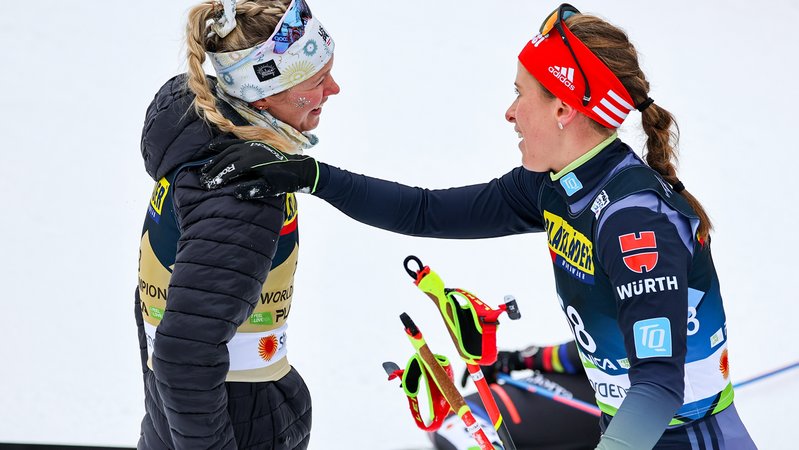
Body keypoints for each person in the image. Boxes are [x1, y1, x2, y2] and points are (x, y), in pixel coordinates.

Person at [201, 3, 759, 449]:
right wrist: (312, 175)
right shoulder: (555, 186)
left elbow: (659, 387)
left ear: (564, 108)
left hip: (686, 436)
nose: (510, 112)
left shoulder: (636, 220)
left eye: (521, 94)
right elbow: (425, 211)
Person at [135, 0, 339, 448]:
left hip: (184, 420)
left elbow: (162, 310)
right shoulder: (240, 188)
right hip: (236, 423)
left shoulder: (201, 142)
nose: (335, 89)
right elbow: (182, 355)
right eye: (318, 80)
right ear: (263, 92)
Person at [433, 341, 601, 450]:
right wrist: (517, 359)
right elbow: (571, 354)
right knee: (449, 421)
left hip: (608, 425)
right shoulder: (612, 347)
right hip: (474, 416)